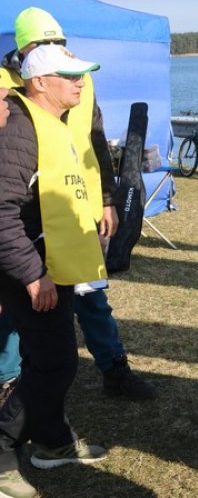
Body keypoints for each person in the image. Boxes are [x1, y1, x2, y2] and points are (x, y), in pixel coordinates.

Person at [0, 7, 156, 402]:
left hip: (77, 208)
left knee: (90, 295)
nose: (56, 48)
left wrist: (107, 199)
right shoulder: (5, 87)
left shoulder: (78, 80)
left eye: (60, 42)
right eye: (45, 43)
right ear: (24, 48)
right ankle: (14, 381)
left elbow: (95, 141)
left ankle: (113, 368)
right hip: (29, 219)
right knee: (19, 302)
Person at [0, 43, 111, 498]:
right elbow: (2, 212)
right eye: (70, 76)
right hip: (30, 268)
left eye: (81, 74)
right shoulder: (21, 129)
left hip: (54, 262)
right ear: (40, 82)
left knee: (47, 358)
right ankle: (2, 450)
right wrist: (32, 274)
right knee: (56, 363)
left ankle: (51, 440)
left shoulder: (54, 122)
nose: (80, 82)